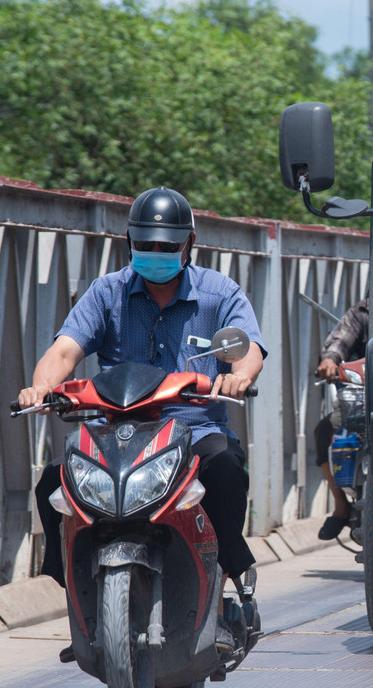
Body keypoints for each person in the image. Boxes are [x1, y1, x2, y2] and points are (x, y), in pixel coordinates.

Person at [18, 186, 265, 652]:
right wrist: (42, 386)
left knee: (226, 468)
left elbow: (248, 348)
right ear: (129, 242)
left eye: (167, 246)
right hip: (117, 431)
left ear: (189, 244)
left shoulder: (219, 293)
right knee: (53, 482)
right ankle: (83, 601)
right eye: (145, 245)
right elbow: (65, 349)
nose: (156, 253)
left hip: (194, 429)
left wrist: (238, 376)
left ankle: (231, 584)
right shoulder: (106, 292)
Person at [313, 299, 369, 540]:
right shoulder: (365, 311)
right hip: (365, 398)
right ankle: (341, 505)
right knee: (325, 429)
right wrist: (330, 359)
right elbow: (341, 339)